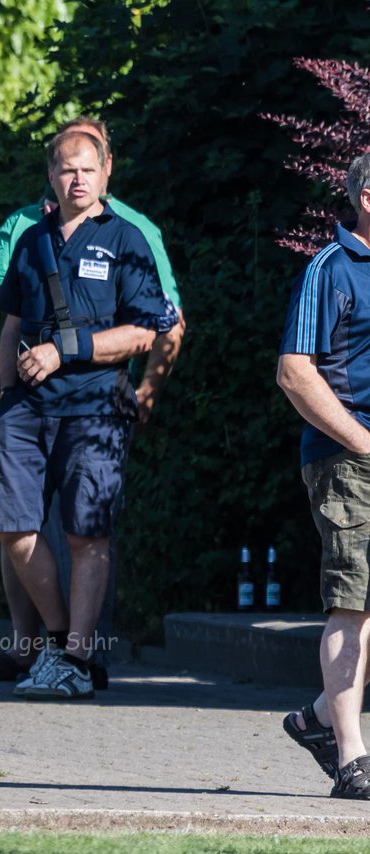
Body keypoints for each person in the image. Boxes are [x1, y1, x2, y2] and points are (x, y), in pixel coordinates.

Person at [0, 116, 186, 687]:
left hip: (95, 405)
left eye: (87, 169)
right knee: (13, 526)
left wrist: (69, 352)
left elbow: (150, 330)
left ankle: (76, 660)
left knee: (87, 533)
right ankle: (59, 644)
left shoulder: (129, 237)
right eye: (66, 169)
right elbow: (3, 311)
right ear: (50, 175)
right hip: (26, 408)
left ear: (105, 172)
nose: (77, 179)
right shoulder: (30, 237)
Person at [277, 152, 370, 800]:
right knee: (353, 598)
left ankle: (316, 718)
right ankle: (351, 759)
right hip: (346, 462)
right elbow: (294, 371)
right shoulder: (330, 268)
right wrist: (364, 443)